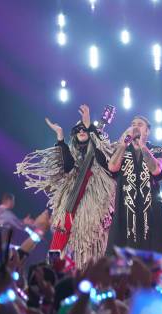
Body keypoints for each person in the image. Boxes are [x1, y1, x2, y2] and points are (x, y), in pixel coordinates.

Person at [16, 105, 116, 268]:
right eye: (78, 130)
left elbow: (101, 151)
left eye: (84, 129)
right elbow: (67, 166)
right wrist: (60, 136)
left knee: (86, 245)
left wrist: (89, 125)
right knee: (58, 242)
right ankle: (51, 272)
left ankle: (84, 275)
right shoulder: (74, 155)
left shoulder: (98, 150)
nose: (81, 131)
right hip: (70, 204)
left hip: (91, 206)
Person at [107, 115, 162, 253]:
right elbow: (112, 167)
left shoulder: (156, 150)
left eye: (140, 124)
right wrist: (123, 144)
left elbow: (156, 170)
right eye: (133, 124)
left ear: (147, 131)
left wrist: (142, 147)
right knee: (119, 258)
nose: (135, 126)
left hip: (150, 213)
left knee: (149, 258)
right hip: (125, 211)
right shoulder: (122, 149)